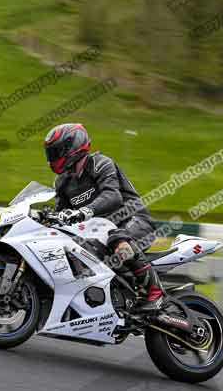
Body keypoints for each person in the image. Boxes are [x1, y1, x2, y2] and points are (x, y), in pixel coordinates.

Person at [44, 123, 164, 311]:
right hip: (101, 230)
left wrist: (84, 211)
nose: (52, 158)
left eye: (56, 152)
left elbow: (113, 196)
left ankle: (155, 292)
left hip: (134, 220)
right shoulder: (62, 182)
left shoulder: (100, 163)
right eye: (50, 153)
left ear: (72, 147)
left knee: (117, 239)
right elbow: (62, 214)